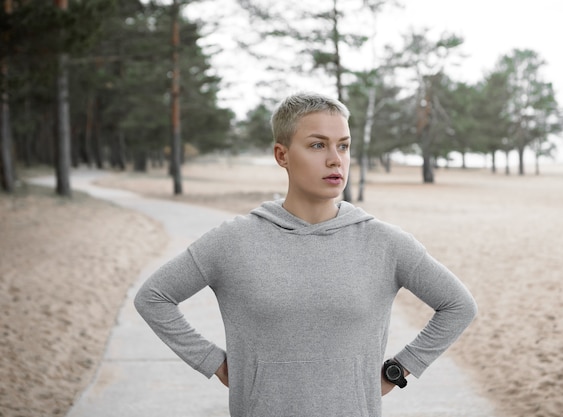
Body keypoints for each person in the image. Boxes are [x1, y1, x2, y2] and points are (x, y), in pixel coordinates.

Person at [134, 91, 477, 417]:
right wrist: (214, 363)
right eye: (317, 145)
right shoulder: (233, 241)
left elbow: (458, 305)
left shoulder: (384, 242)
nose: (335, 159)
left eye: (343, 146)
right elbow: (154, 297)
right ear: (282, 155)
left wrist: (397, 371)